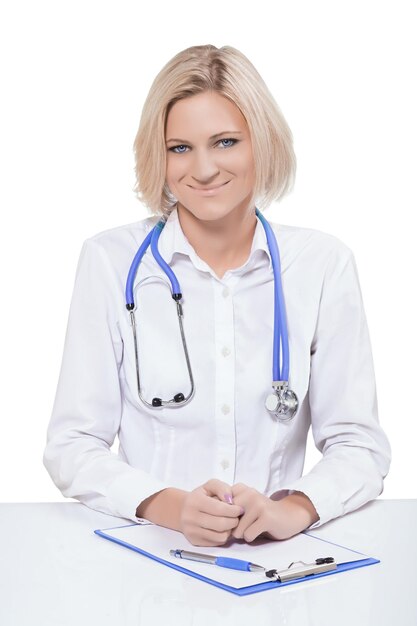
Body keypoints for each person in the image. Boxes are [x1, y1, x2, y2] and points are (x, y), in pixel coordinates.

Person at [43, 44, 391, 547]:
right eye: (179, 148)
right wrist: (171, 506)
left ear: (261, 143)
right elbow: (72, 445)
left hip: (278, 564)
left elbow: (359, 446)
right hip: (148, 561)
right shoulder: (109, 262)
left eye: (225, 142)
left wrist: (290, 509)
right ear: (157, 156)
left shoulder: (321, 265)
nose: (203, 169)